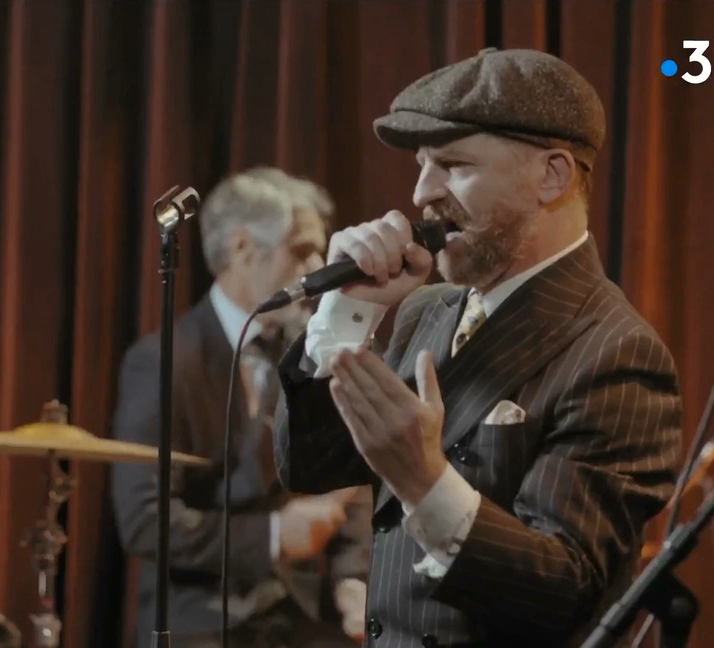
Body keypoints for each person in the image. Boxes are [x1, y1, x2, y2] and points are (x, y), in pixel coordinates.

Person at [273, 48, 683, 647]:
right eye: (421, 165)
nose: (422, 193)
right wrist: (347, 314)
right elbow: (309, 466)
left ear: (552, 176)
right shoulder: (425, 310)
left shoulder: (617, 351)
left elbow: (566, 591)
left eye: (454, 165)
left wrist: (423, 480)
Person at [112, 167, 372, 648]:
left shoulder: (307, 351)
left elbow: (347, 482)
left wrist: (351, 581)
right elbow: (146, 521)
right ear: (241, 249)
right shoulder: (163, 361)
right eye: (302, 250)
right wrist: (273, 536)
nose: (318, 266)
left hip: (298, 612)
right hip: (200, 619)